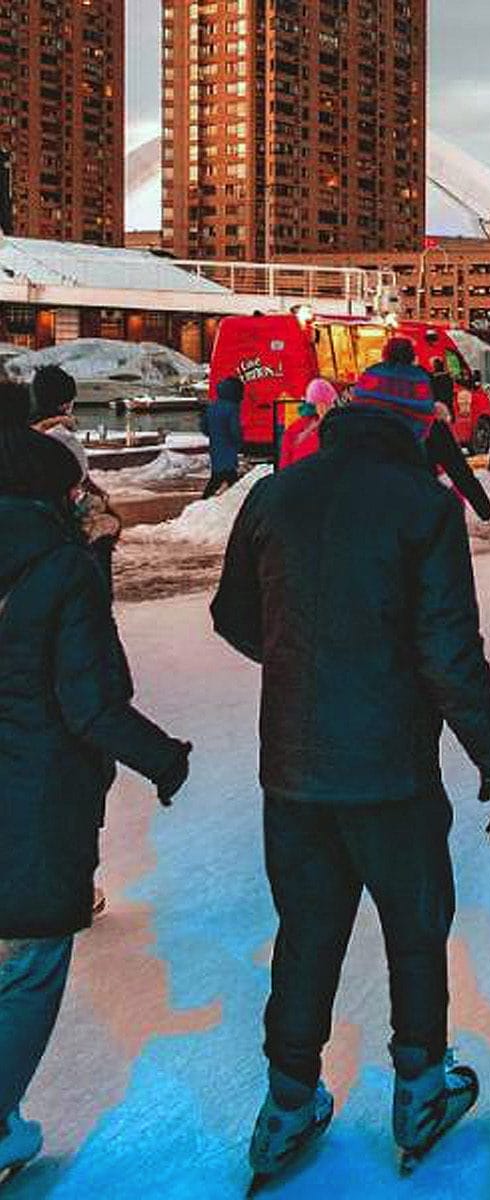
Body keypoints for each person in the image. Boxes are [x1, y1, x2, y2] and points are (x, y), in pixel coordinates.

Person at [210, 358, 490, 1190]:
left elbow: (232, 616)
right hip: (391, 771)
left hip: (296, 766)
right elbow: (450, 653)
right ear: (421, 429)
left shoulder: (276, 494)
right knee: (414, 929)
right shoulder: (425, 507)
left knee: (306, 932)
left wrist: (305, 665)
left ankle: (286, 1104)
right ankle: (419, 1092)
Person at [1, 382, 192, 1188]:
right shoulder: (61, 572)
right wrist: (164, 758)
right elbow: (90, 702)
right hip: (32, 798)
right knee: (30, 963)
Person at [30, 364, 122, 599]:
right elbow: (77, 475)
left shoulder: (24, 433)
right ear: (65, 403)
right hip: (62, 523)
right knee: (105, 528)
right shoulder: (63, 437)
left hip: (33, 520)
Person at [427, 373, 490, 520]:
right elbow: (458, 469)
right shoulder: (433, 426)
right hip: (419, 506)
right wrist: (483, 508)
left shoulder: (377, 422)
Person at [202, 375, 246, 498]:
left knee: (220, 474)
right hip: (228, 446)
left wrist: (214, 434)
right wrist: (239, 441)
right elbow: (234, 429)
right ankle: (205, 501)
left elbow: (204, 427)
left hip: (215, 445)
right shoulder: (232, 408)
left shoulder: (212, 406)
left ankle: (233, 498)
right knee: (224, 476)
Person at [277, 379, 335, 470]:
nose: (333, 406)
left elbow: (283, 465)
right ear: (322, 405)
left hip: (293, 479)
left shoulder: (293, 428)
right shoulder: (331, 429)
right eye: (332, 403)